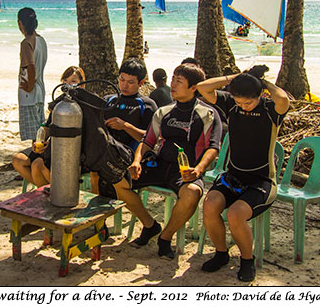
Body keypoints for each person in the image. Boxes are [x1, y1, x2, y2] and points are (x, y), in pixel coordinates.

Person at [113, 63, 223, 259]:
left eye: (178, 82)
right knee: (118, 181)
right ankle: (150, 225)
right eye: (172, 79)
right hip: (159, 164)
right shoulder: (164, 112)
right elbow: (147, 142)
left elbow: (213, 148)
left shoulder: (208, 114)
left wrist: (198, 170)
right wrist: (137, 161)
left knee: (192, 193)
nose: (172, 85)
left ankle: (165, 237)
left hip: (185, 170)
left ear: (193, 88)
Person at [196, 65, 289, 282]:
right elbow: (203, 87)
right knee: (210, 205)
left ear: (260, 96)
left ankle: (247, 260)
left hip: (262, 181)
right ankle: (221, 254)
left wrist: (262, 82)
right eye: (239, 102)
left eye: (248, 102)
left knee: (235, 214)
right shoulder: (231, 106)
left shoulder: (270, 110)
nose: (243, 107)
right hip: (233, 177)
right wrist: (237, 77)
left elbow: (283, 98)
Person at [91, 57, 158, 197]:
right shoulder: (109, 100)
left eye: (130, 82)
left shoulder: (146, 105)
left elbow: (150, 139)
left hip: (128, 158)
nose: (124, 85)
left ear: (141, 83)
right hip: (103, 154)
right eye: (122, 80)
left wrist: (126, 126)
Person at [12, 66, 85, 186]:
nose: (68, 85)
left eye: (73, 81)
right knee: (18, 160)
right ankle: (44, 190)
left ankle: (50, 193)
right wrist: (41, 141)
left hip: (70, 149)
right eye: (65, 81)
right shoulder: (59, 102)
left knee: (37, 165)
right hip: (51, 145)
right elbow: (47, 126)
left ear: (81, 85)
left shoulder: (84, 105)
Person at [17, 7, 48, 142]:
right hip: (40, 89)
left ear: (20, 23)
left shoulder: (26, 43)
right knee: (39, 132)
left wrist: (29, 87)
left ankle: (34, 160)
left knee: (34, 136)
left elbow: (30, 66)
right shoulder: (41, 40)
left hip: (29, 92)